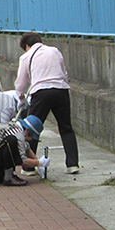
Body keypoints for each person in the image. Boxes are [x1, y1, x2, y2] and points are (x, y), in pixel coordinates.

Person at [14, 32, 79, 174]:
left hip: (41, 92)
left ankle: (29, 167)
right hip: (61, 90)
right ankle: (72, 164)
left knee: (31, 128)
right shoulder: (55, 51)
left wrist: (22, 99)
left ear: (27, 46)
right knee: (66, 127)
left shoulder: (26, 56)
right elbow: (64, 73)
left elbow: (21, 83)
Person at [0, 115, 45, 186]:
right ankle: (9, 177)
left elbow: (26, 147)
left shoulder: (15, 127)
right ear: (27, 131)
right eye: (32, 136)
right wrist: (39, 162)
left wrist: (38, 162)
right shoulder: (18, 134)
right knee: (11, 142)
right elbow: (22, 160)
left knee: (10, 144)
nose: (31, 139)